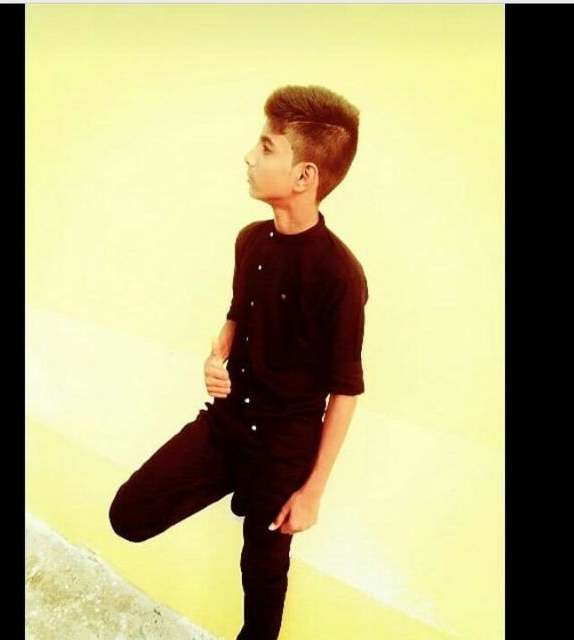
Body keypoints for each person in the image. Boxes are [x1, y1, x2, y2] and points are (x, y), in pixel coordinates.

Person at [108, 84, 368, 640]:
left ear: (304, 176)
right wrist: (216, 355)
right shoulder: (250, 241)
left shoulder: (341, 276)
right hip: (227, 427)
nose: (250, 157)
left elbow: (345, 389)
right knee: (129, 515)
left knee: (262, 578)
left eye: (267, 147)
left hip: (284, 452)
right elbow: (236, 316)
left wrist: (312, 492)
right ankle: (230, 480)